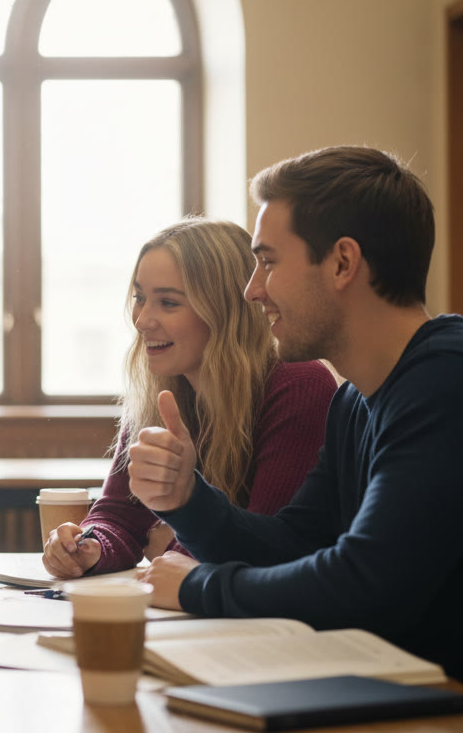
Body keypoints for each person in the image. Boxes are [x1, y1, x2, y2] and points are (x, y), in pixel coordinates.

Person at [129, 146, 463, 729]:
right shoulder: (355, 400)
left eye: (267, 262)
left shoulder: (459, 379)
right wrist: (189, 499)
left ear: (342, 264)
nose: (253, 290)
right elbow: (292, 546)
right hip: (409, 695)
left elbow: (365, 584)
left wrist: (199, 588)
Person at [41, 219, 335, 579]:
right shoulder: (159, 390)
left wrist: (167, 539)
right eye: (139, 298)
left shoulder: (298, 386)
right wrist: (89, 545)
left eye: (168, 302)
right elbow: (119, 514)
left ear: (224, 309)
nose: (142, 320)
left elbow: (266, 545)